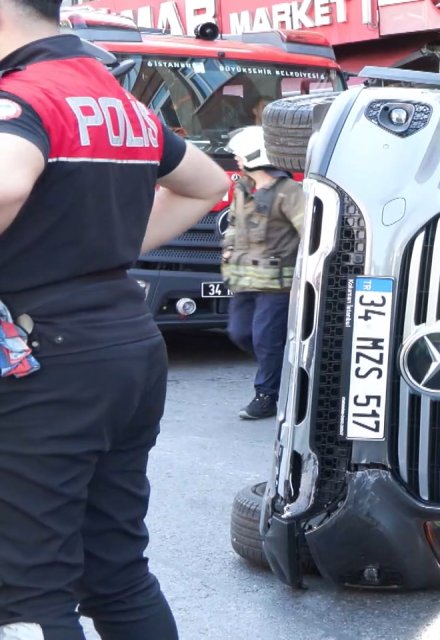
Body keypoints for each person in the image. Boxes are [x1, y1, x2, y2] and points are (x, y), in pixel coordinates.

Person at [0, 1, 230, 637]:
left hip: (46, 356)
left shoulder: (24, 97)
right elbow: (206, 183)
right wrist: (115, 247)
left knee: (29, 583)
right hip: (125, 344)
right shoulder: (115, 98)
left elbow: (7, 184)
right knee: (116, 571)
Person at [222, 126, 305, 420]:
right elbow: (233, 225)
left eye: (239, 153)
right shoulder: (243, 188)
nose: (235, 158)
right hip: (244, 279)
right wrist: (229, 247)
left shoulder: (289, 192)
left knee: (266, 340)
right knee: (241, 333)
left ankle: (267, 395)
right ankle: (284, 372)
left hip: (275, 284)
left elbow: (309, 231)